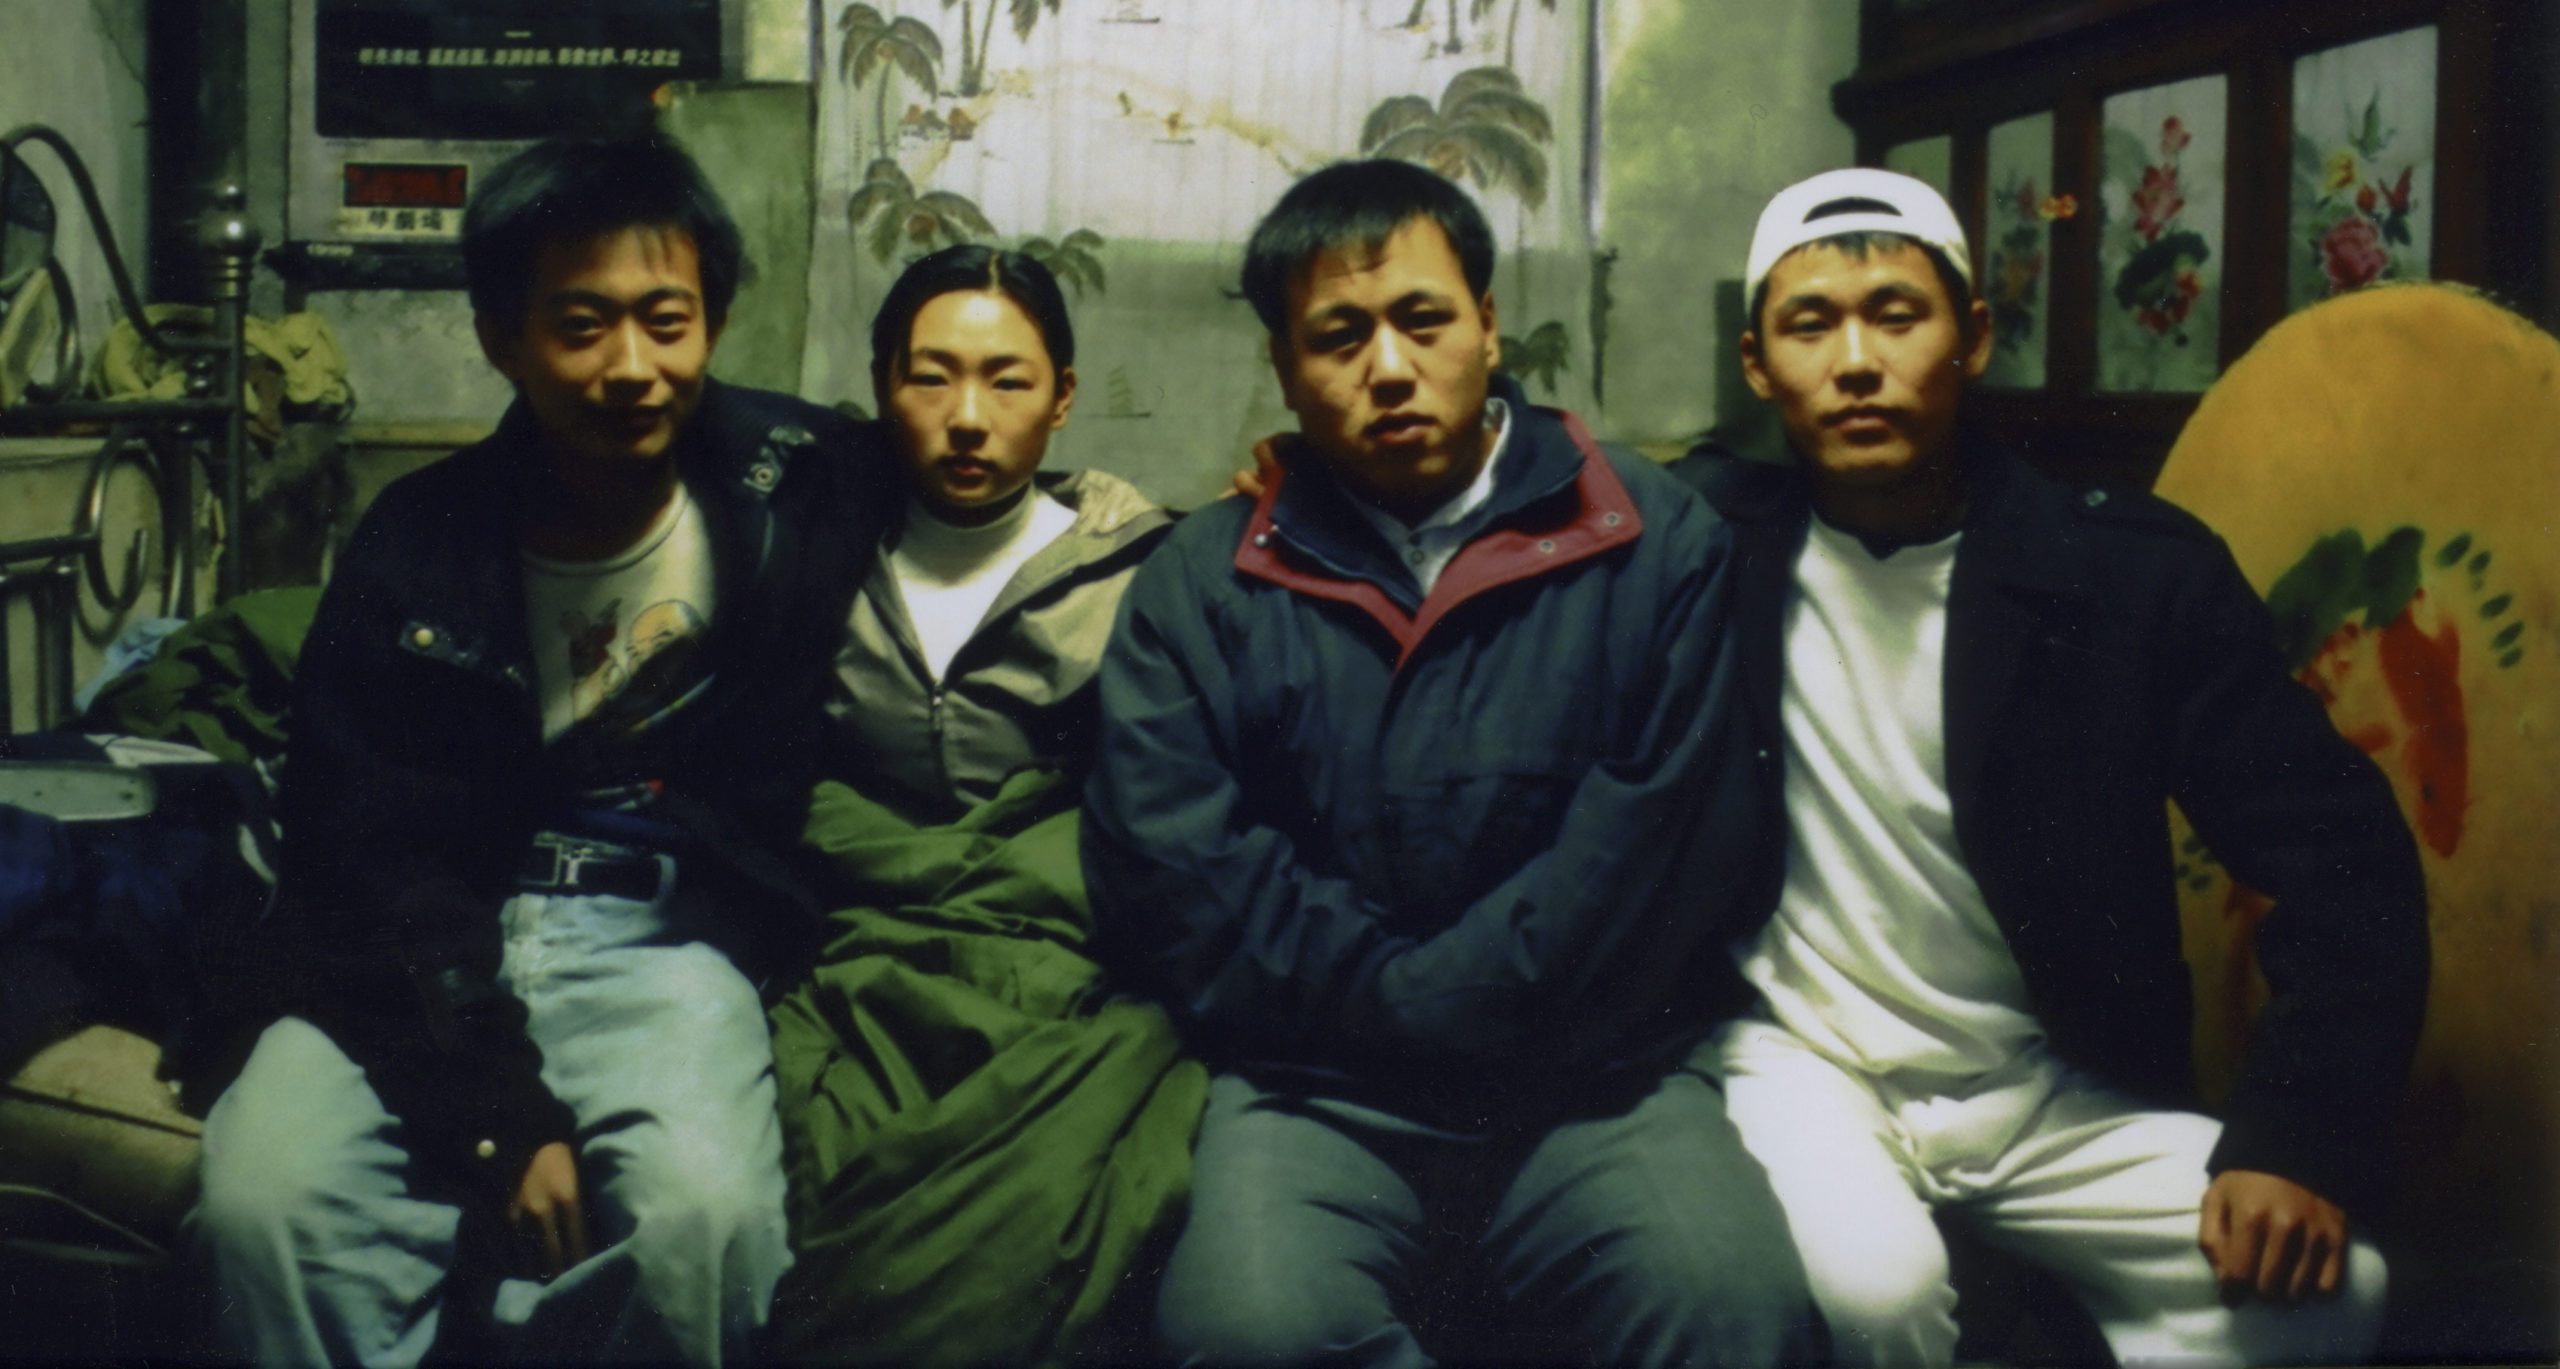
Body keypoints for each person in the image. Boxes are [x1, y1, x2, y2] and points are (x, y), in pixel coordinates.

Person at [1670, 167, 2429, 1366]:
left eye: (1897, 313)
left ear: (1970, 337)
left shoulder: (2126, 571)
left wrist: (2294, 1133)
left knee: (2327, 1299)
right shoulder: (1699, 542)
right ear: (1759, 364)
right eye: (1809, 324)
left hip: (2052, 1089)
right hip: (1802, 1062)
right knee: (1874, 1294)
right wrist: (1297, 480)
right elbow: (1500, 489)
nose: (1856, 359)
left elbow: (2345, 853)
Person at [1081, 157, 1814, 1367]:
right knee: (1247, 1333)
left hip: (1591, 1084)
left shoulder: (1646, 535)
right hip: (1318, 1091)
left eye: (1422, 319)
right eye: (1337, 334)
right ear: (1280, 365)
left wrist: (1443, 1007)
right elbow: (1186, 873)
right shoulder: (1203, 580)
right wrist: (1406, 1015)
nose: (1387, 366)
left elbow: (1653, 852)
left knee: (1729, 1310)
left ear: (1486, 321)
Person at [187, 131, 894, 1366]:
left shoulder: (795, 477)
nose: (633, 367)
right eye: (582, 325)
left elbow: (969, 464)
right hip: (433, 940)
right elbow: (368, 865)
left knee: (707, 1222)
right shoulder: (417, 542)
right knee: (264, 1205)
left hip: (659, 934)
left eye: (665, 321)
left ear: (712, 323)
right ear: (501, 338)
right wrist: (501, 1121)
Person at [763, 246, 1204, 1363]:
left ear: (1061, 398)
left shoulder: (1144, 569)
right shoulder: (808, 557)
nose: (968, 416)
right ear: (880, 388)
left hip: (1065, 954)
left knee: (1079, 1191)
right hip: (851, 943)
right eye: (931, 377)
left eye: (1007, 381)